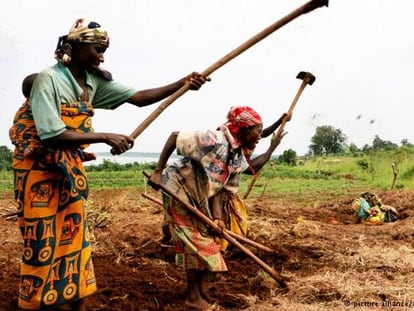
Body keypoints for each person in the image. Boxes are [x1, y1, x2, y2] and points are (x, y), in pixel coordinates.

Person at [9, 18, 209, 311]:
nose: (102, 56)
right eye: (96, 49)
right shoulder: (48, 80)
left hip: (67, 172)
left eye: (104, 50)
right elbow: (52, 133)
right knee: (41, 241)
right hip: (37, 172)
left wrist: (183, 83)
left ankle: (67, 299)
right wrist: (105, 136)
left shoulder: (91, 81)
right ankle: (37, 302)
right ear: (75, 47)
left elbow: (139, 98)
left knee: (73, 238)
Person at [149, 106, 289, 310]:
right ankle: (192, 297)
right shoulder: (213, 139)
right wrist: (157, 171)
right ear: (243, 129)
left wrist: (218, 218)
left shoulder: (237, 155)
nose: (260, 136)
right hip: (178, 186)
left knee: (210, 237)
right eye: (257, 131)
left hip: (199, 194)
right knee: (194, 240)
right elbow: (174, 137)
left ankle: (199, 292)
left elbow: (220, 190)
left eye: (261, 131)